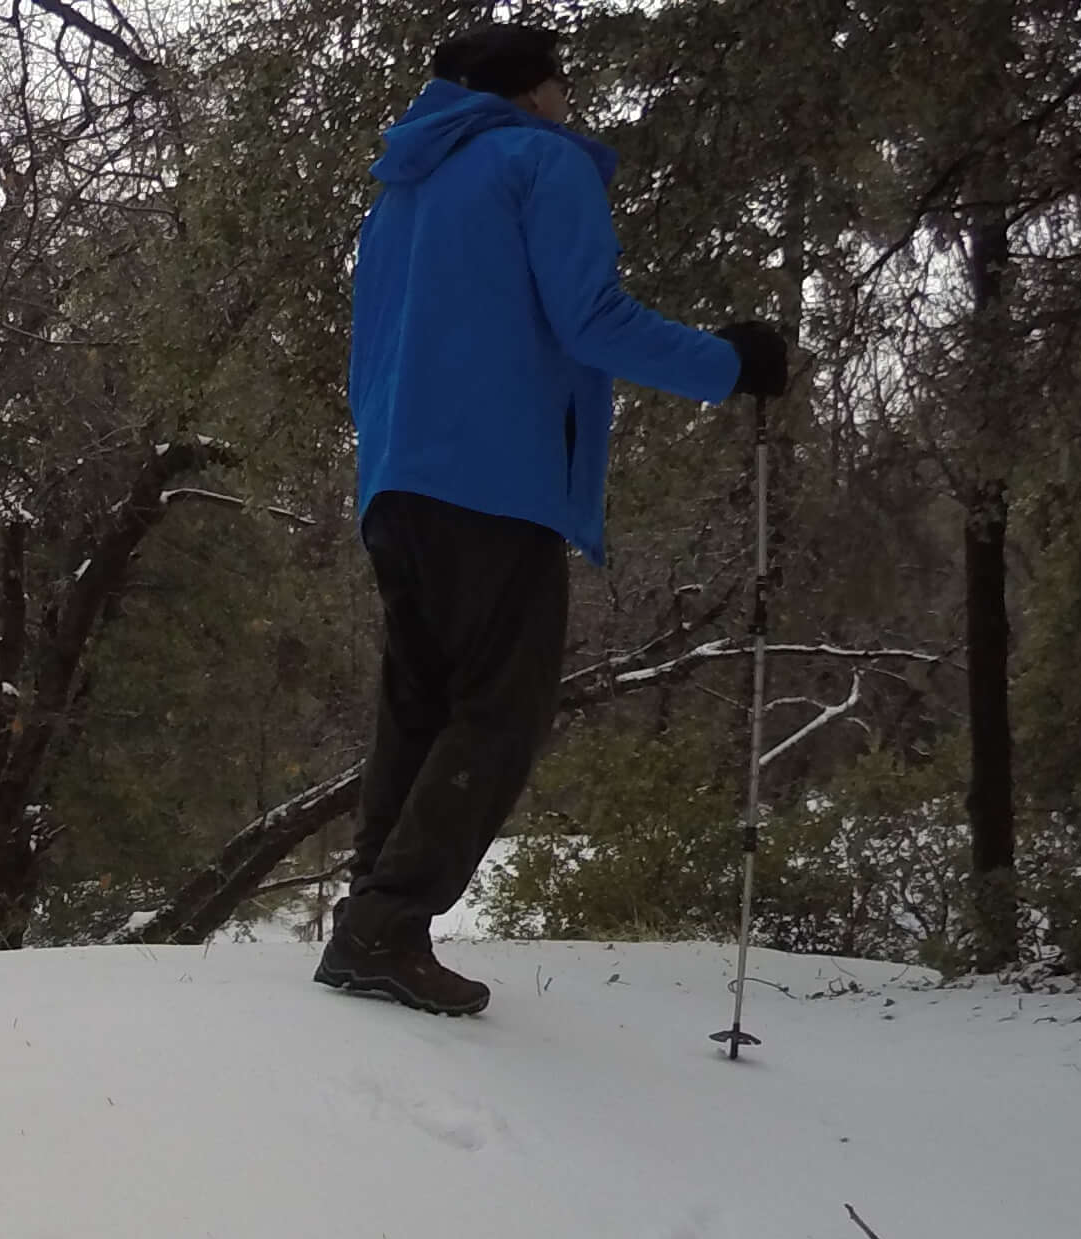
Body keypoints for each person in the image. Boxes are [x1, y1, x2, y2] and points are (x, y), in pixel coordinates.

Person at [318, 22, 789, 1018]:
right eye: (564, 85)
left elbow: (365, 350)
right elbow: (591, 319)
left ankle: (371, 914)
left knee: (420, 698)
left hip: (395, 478)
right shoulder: (540, 161)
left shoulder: (400, 192)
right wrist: (729, 363)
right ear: (537, 89)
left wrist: (386, 455)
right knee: (499, 707)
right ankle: (383, 926)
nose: (570, 103)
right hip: (494, 480)